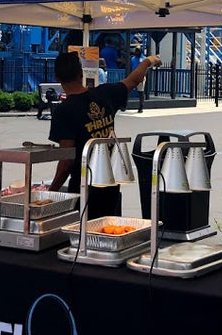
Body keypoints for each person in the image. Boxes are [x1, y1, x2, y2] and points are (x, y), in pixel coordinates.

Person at [48, 50, 161, 219]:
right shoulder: (105, 93)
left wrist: (51, 192)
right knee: (105, 228)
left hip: (84, 185)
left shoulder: (64, 111)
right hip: (109, 179)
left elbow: (67, 161)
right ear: (81, 74)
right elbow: (134, 79)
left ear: (57, 78)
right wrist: (148, 61)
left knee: (85, 232)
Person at [128, 45, 149, 112]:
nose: (137, 52)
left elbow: (146, 68)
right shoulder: (133, 58)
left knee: (140, 91)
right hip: (134, 76)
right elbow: (131, 67)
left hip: (141, 76)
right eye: (136, 50)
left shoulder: (144, 58)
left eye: (138, 50)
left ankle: (141, 106)